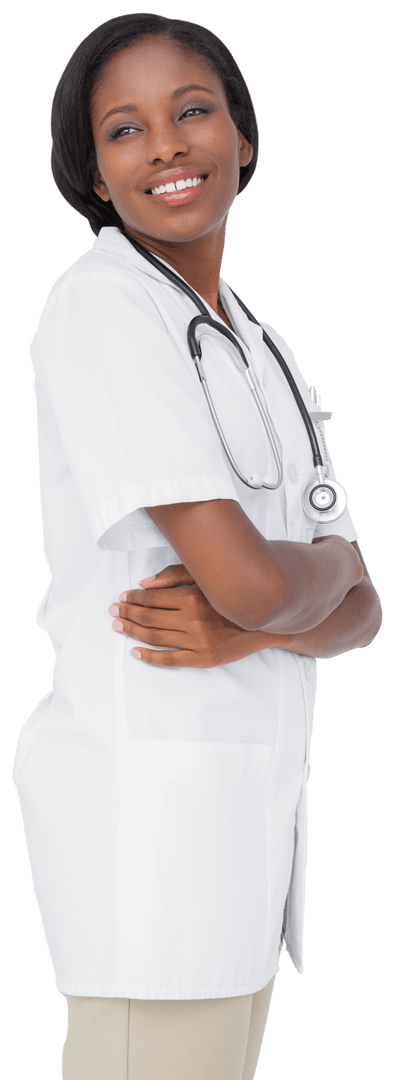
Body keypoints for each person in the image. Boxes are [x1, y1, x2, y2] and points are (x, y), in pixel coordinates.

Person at [11, 12, 383, 1080]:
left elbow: (363, 608)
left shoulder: (261, 346)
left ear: (243, 136)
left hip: (239, 851)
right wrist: (285, 596)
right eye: (123, 131)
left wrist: (263, 619)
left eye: (191, 112)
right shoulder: (102, 312)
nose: (165, 146)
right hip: (150, 851)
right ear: (92, 174)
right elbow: (269, 579)